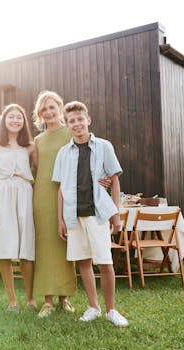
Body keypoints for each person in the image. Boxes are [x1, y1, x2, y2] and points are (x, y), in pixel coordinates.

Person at [53, 100, 129, 327]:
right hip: (73, 215)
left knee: (104, 262)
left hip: (97, 214)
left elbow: (114, 181)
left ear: (88, 120)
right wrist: (60, 220)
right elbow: (61, 189)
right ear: (67, 125)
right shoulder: (63, 153)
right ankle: (93, 307)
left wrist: (115, 214)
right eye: (71, 121)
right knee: (83, 261)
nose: (76, 124)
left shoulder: (104, 146)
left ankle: (111, 310)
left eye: (79, 119)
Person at [0, 104, 37, 312]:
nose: (15, 120)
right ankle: (12, 300)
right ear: (4, 120)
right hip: (2, 191)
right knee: (4, 248)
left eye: (19, 117)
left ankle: (31, 298)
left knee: (26, 247)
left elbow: (38, 171)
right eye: (11, 117)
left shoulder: (31, 147)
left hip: (24, 191)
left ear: (24, 121)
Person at [31, 91, 76, 318]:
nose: (48, 112)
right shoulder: (37, 141)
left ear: (60, 107)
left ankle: (64, 297)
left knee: (65, 244)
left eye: (52, 107)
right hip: (42, 196)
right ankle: (47, 301)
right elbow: (36, 170)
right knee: (45, 246)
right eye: (44, 109)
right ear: (40, 114)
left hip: (66, 195)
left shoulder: (71, 133)